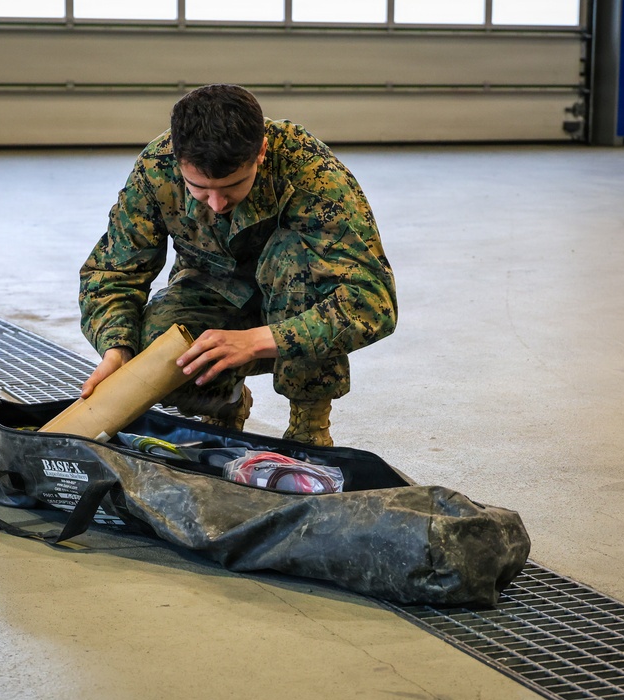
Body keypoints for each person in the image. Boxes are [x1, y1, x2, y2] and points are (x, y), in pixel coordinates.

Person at [78, 84, 396, 446]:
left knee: (295, 262)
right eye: (199, 188)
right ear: (178, 157)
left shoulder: (311, 172)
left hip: (296, 301)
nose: (215, 204)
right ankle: (223, 403)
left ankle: (309, 424)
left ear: (260, 152)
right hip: (213, 294)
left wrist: (257, 341)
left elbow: (372, 303)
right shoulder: (157, 168)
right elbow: (112, 273)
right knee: (156, 350)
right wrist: (117, 349)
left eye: (231, 186)